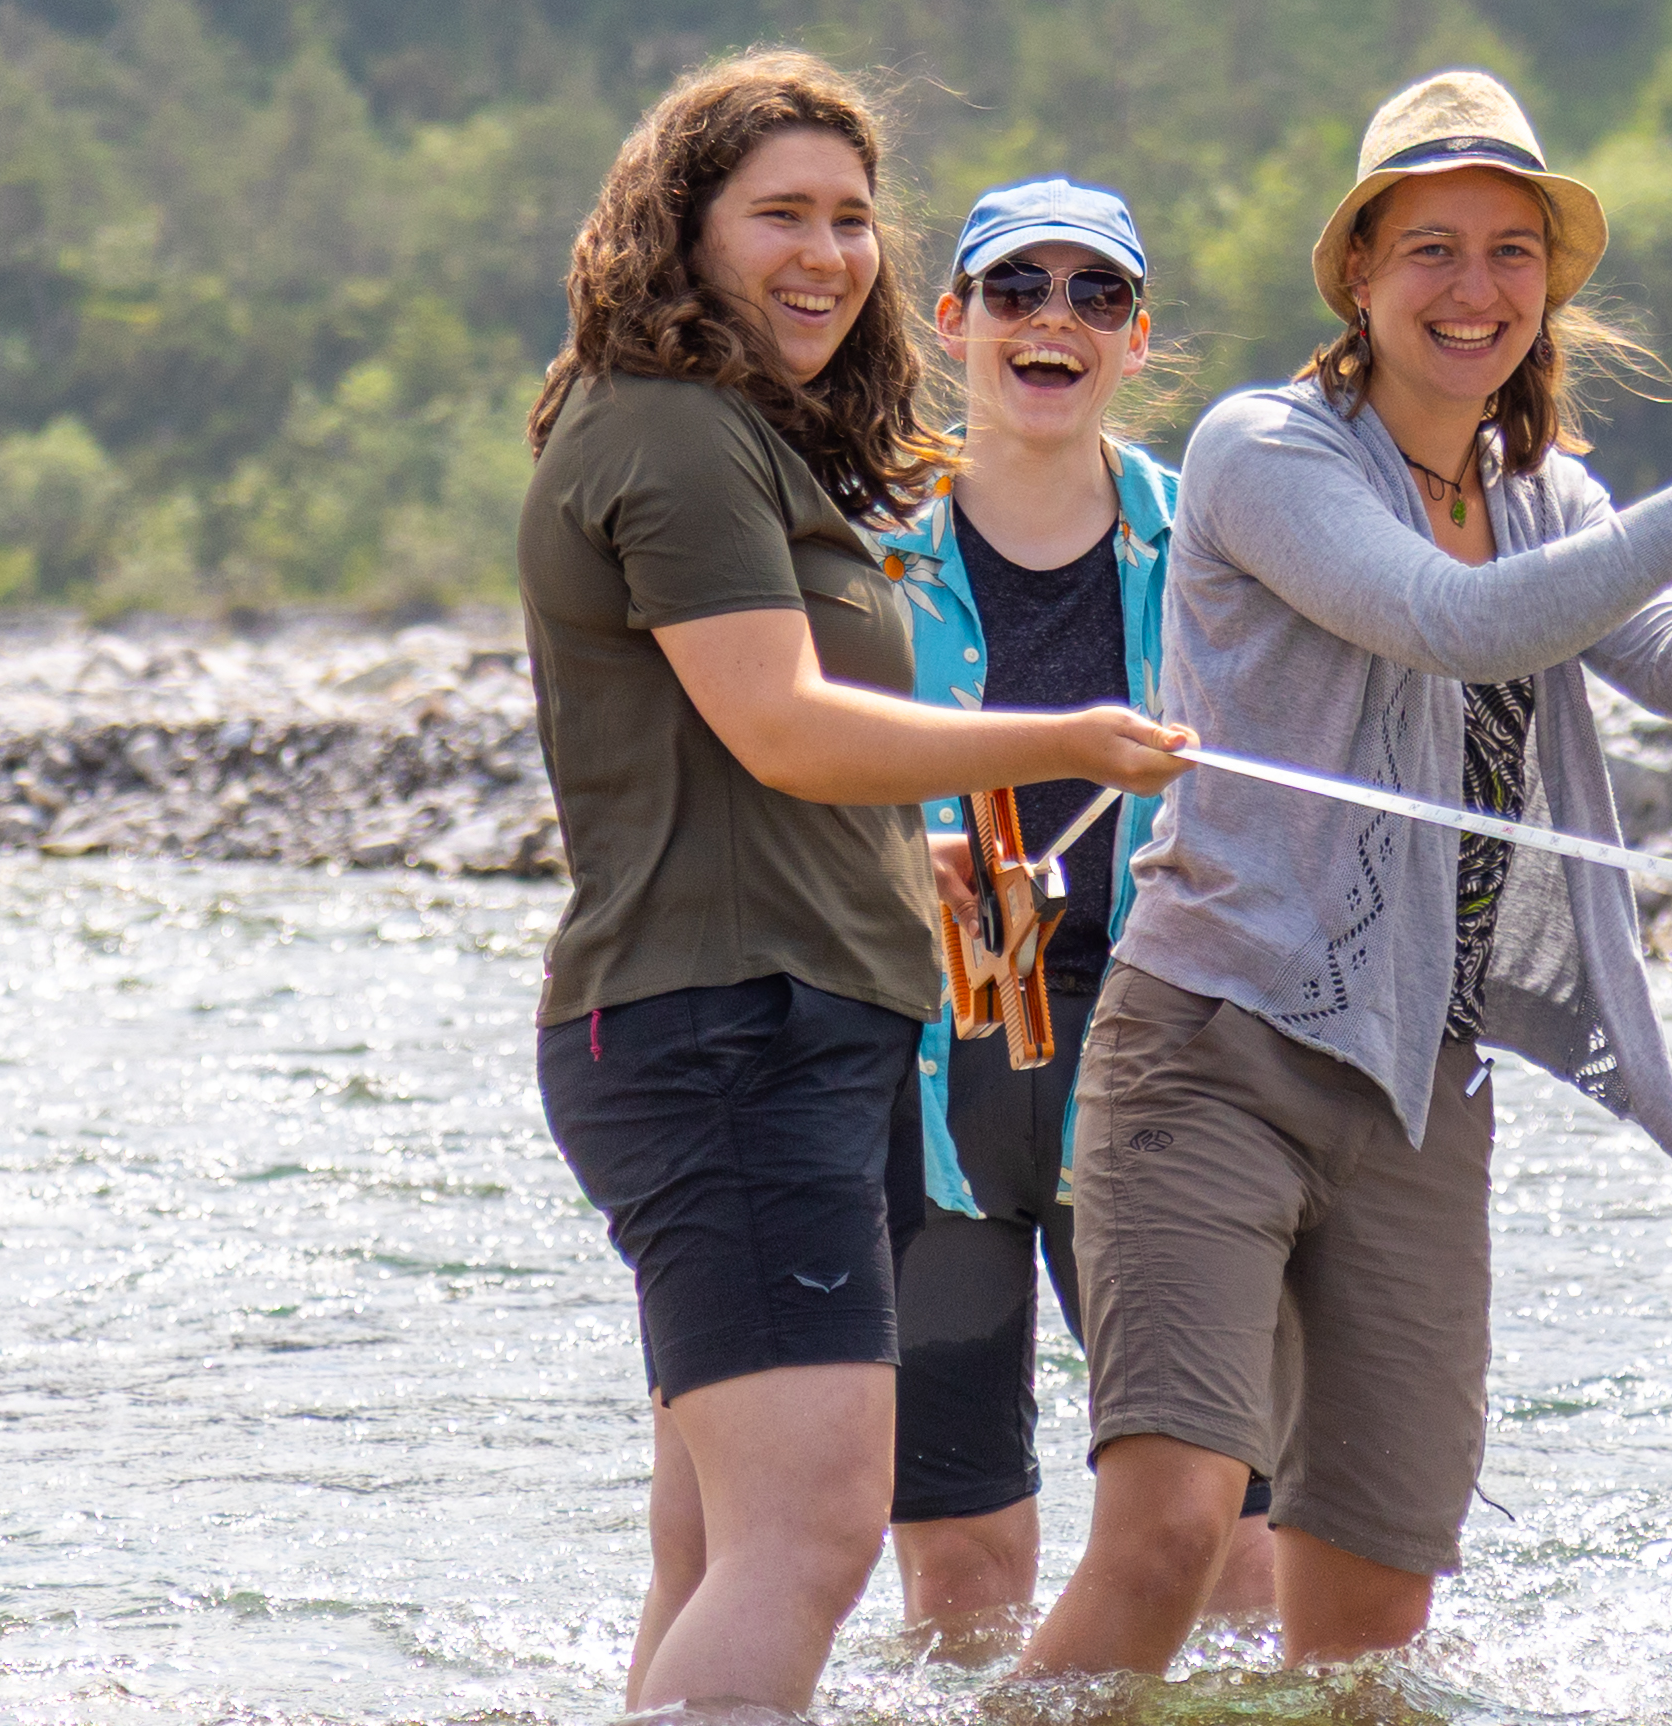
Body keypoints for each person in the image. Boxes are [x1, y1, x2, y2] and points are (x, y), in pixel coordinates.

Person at [1010, 68, 1672, 1683]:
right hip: (1211, 1051)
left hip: (1422, 1087)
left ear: (1549, 287)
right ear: (1361, 280)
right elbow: (1455, 625)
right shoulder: (1263, 448)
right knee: (1173, 1532)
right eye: (1432, 249)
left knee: (1372, 1624)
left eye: (1512, 251)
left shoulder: (1542, 495)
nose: (1475, 289)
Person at [513, 52, 1192, 1719]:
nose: (822, 254)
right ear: (678, 230)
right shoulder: (671, 434)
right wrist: (1067, 744)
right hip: (728, 1035)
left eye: (846, 220)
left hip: (759, 1030)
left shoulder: (740, 436)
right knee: (815, 1542)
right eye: (777, 218)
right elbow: (784, 728)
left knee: (712, 1557)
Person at [871, 175, 1274, 1664]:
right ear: (954, 323)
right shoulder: (863, 553)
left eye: (1093, 294)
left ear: (1136, 335)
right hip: (934, 1075)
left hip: (1173, 1063)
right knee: (966, 1558)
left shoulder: (1220, 541)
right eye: (1018, 289)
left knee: (1235, 1534)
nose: (1054, 319)